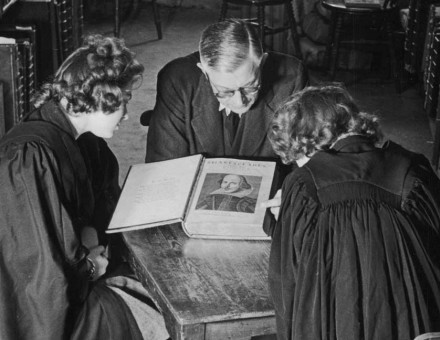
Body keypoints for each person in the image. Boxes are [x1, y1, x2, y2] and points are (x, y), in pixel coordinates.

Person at [0, 35, 168, 339]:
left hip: (81, 269)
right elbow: (38, 273)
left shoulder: (88, 144)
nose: (128, 115)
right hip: (40, 306)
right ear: (99, 99)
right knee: (141, 314)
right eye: (125, 102)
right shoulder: (28, 157)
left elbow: (96, 212)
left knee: (162, 291)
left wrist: (91, 242)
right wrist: (90, 267)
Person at [267, 85, 440, 340]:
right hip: (416, 324)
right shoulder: (413, 166)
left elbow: (286, 278)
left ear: (309, 144)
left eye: (297, 157)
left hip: (335, 324)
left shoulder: (303, 183)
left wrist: (285, 219)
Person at [144, 18, 308, 163]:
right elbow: (163, 164)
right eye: (224, 91)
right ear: (204, 72)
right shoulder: (177, 80)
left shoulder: (292, 78)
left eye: (250, 86)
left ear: (262, 62)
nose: (239, 101)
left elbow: (303, 162)